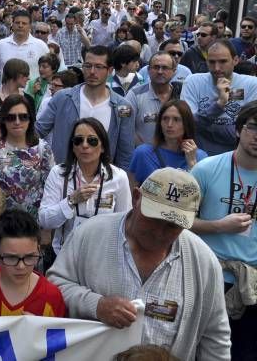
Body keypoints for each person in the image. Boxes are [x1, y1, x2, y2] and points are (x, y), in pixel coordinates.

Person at [48, 168, 230, 360]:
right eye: (153, 219)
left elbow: (215, 337)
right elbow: (54, 285)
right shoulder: (90, 234)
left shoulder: (203, 261)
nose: (159, 232)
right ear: (136, 198)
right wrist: (96, 305)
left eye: (172, 226)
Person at [190, 101, 257, 359]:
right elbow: (178, 221)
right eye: (253, 128)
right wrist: (218, 226)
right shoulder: (207, 169)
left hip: (252, 285)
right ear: (239, 130)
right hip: (211, 277)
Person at [38, 118, 133, 254]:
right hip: (64, 255)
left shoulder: (118, 177)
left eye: (92, 140)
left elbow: (125, 225)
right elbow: (44, 220)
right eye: (78, 140)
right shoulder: (59, 173)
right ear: (73, 147)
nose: (85, 145)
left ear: (103, 147)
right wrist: (71, 201)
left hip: (102, 256)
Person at [37, 45, 136, 168]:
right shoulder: (62, 98)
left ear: (110, 70)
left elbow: (125, 153)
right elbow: (38, 131)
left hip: (103, 180)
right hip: (63, 175)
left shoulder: (123, 107)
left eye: (99, 67)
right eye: (88, 66)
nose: (92, 72)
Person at [0, 209, 66, 317]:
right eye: (11, 258)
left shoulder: (52, 297)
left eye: (29, 257)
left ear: (38, 250)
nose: (21, 266)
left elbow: (60, 333)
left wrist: (41, 330)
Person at [0, 95, 54, 219]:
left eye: (23, 117)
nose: (17, 122)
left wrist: (47, 232)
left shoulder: (43, 149)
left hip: (31, 224)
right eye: (11, 117)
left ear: (30, 119)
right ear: (4, 120)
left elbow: (50, 192)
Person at [181, 40, 257, 156]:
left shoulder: (251, 84)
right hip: (199, 156)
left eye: (223, 61)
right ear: (206, 62)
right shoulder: (193, 81)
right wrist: (220, 104)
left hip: (236, 158)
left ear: (235, 60)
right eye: (212, 62)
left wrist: (202, 128)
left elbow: (246, 133)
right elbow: (188, 125)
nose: (217, 68)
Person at [128, 100, 207, 188]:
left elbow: (202, 196)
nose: (169, 124)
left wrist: (192, 164)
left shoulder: (200, 157)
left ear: (186, 124)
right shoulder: (143, 153)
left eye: (176, 119)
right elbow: (130, 193)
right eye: (165, 118)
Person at [126, 52, 182, 144]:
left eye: (165, 68)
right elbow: (125, 125)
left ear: (174, 71)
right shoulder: (134, 95)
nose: (160, 72)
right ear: (148, 70)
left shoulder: (181, 94)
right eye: (156, 67)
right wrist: (144, 150)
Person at [0, 10, 49, 90]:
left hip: (32, 95)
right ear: (12, 24)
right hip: (6, 96)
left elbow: (49, 71)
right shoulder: (1, 44)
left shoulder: (40, 45)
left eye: (24, 23)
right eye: (17, 23)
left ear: (30, 26)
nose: (20, 26)